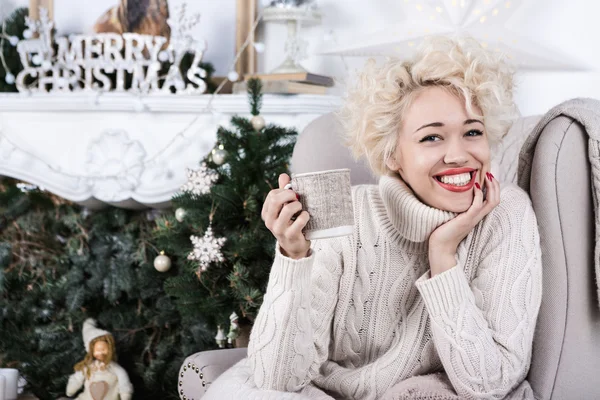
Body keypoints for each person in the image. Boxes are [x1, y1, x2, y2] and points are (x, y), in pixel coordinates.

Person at [204, 35, 542, 400]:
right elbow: (278, 380)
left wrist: (442, 258)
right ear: (393, 154)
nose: (459, 154)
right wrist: (293, 257)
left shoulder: (506, 213)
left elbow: (488, 385)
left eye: (472, 132)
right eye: (432, 138)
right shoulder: (348, 212)